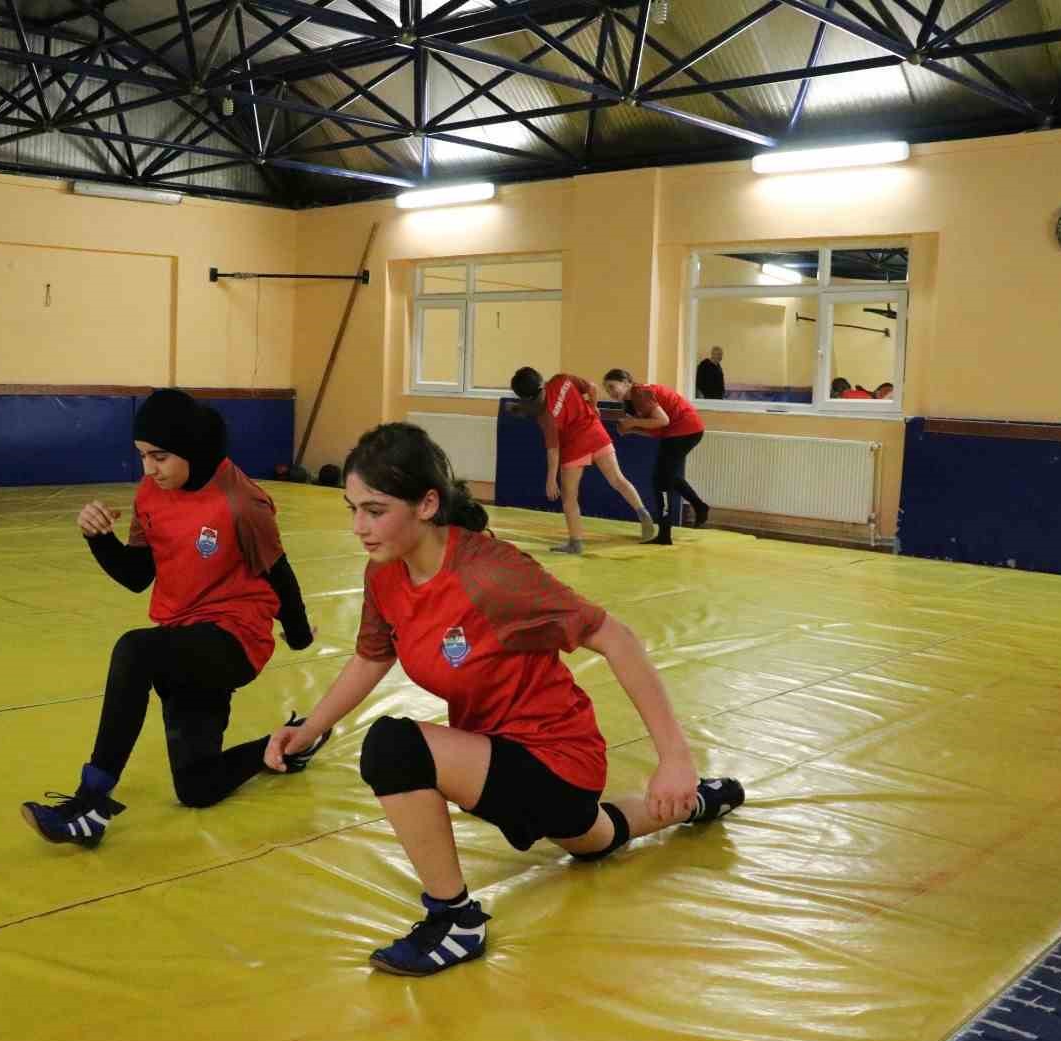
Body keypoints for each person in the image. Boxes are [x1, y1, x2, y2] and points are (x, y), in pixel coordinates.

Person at [265, 423, 742, 977]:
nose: (359, 528)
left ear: (426, 504)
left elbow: (616, 637)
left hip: (557, 760)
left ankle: (456, 920)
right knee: (594, 837)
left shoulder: (491, 574)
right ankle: (704, 801)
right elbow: (374, 656)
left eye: (374, 510)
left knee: (393, 747)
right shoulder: (386, 575)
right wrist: (311, 729)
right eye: (352, 509)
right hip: (498, 754)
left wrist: (675, 759)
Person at [21, 389, 324, 848]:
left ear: (189, 446)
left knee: (134, 650)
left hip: (232, 640)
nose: (148, 469)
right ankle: (290, 742)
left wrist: (298, 636)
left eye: (159, 456)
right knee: (197, 787)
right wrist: (99, 539)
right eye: (142, 456)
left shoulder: (241, 502)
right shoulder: (151, 494)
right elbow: (138, 576)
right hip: (181, 642)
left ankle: (90, 805)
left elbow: (279, 573)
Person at [509, 366, 656, 555]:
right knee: (618, 480)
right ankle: (643, 512)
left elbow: (553, 450)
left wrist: (551, 479)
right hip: (596, 433)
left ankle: (575, 542)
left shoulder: (546, 416)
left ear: (526, 398)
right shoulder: (562, 380)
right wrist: (593, 406)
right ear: (539, 379)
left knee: (570, 498)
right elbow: (592, 387)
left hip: (575, 447)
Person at [602, 370, 709, 545]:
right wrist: (632, 429)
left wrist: (633, 424)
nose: (611, 392)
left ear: (626, 382)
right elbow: (656, 431)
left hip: (685, 429)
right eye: (607, 390)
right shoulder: (630, 403)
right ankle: (699, 507)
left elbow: (663, 420)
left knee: (661, 482)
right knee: (667, 478)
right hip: (679, 431)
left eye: (612, 386)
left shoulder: (639, 393)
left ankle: (665, 534)